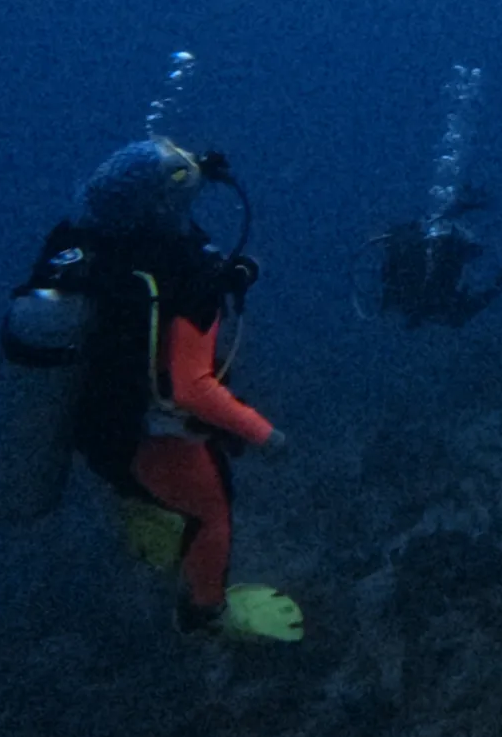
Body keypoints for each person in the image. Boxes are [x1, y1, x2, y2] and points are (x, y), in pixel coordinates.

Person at [23, 136, 302, 642]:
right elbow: (192, 389)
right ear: (164, 203)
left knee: (149, 476)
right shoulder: (184, 274)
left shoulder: (77, 243)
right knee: (213, 507)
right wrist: (267, 437)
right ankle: (205, 614)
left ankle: (140, 509)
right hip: (144, 437)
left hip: (91, 426)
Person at [373, 214, 502, 328]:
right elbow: (393, 294)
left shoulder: (435, 248)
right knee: (458, 315)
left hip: (440, 302)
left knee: (458, 315)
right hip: (438, 303)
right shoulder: (395, 264)